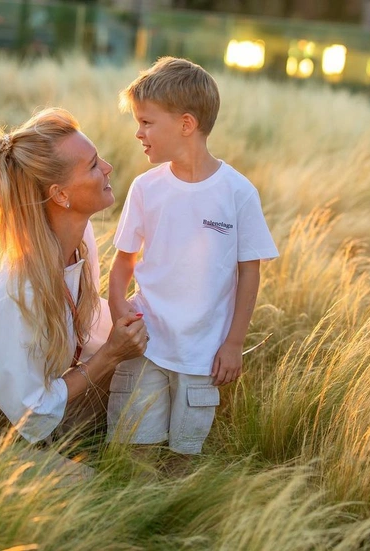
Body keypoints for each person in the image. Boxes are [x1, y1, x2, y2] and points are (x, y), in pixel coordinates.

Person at [0, 108, 148, 495]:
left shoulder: (80, 238)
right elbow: (31, 413)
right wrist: (109, 356)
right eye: (92, 166)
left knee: (151, 384)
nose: (107, 167)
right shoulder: (17, 287)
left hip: (28, 406)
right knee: (93, 495)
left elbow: (87, 326)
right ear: (60, 195)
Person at [107, 57, 279, 456]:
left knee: (183, 455)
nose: (138, 133)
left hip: (203, 354)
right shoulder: (146, 188)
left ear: (186, 124)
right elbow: (123, 263)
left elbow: (249, 274)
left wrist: (234, 343)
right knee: (134, 453)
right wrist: (121, 316)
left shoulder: (237, 193)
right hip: (145, 346)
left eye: (147, 122)